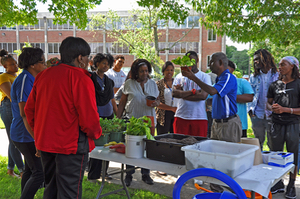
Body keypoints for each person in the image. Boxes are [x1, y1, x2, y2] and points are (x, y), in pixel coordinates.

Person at [24, 36, 102, 199]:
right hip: (71, 146)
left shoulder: (43, 75)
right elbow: (89, 119)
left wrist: (38, 137)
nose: (88, 62)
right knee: (69, 192)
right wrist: (96, 134)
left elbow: (29, 110)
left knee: (51, 188)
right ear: (81, 58)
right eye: (88, 58)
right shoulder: (81, 78)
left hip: (47, 144)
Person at [182, 52, 242, 193]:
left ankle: (234, 194)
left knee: (228, 163)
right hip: (218, 124)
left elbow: (212, 91)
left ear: (221, 63)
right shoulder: (220, 79)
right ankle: (215, 193)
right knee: (214, 161)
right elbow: (214, 96)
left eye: (212, 62)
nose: (209, 65)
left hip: (228, 125)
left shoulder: (228, 77)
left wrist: (192, 77)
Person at [117, 59, 159, 187]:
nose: (144, 73)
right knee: (131, 148)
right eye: (141, 71)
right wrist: (118, 119)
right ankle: (128, 174)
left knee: (147, 148)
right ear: (136, 72)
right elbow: (122, 102)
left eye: (146, 71)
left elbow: (157, 101)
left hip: (148, 121)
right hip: (132, 120)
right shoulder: (129, 83)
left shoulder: (153, 84)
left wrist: (157, 104)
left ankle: (146, 174)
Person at [10, 47, 46, 199]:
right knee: (39, 173)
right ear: (32, 64)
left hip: (28, 133)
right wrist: (37, 139)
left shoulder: (32, 78)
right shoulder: (25, 79)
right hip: (25, 134)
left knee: (31, 171)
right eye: (42, 62)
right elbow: (24, 113)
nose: (45, 64)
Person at [267, 56, 300, 199]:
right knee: (275, 154)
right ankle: (277, 182)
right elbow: (268, 103)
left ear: (292, 66)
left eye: (283, 64)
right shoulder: (274, 85)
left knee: (293, 155)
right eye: (279, 65)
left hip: (294, 124)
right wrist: (272, 108)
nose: (280, 67)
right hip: (276, 123)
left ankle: (291, 185)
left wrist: (286, 110)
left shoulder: (299, 84)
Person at [87, 53, 118, 183]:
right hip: (95, 117)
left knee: (107, 146)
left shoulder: (109, 81)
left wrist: (118, 115)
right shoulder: (90, 78)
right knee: (96, 147)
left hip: (108, 117)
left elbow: (112, 99)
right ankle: (93, 175)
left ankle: (104, 172)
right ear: (97, 64)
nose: (105, 66)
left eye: (107, 64)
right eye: (103, 63)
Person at [172, 51, 211, 137]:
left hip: (199, 117)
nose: (190, 63)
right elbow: (174, 94)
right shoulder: (179, 76)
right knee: (179, 146)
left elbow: (203, 96)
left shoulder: (205, 77)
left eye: (192, 60)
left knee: (198, 146)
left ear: (197, 60)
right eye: (187, 61)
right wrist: (192, 92)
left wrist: (182, 94)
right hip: (181, 116)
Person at [0, 50, 24, 177]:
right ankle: (22, 171)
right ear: (5, 66)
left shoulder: (17, 76)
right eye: (12, 64)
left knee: (13, 140)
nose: (16, 66)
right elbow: (12, 96)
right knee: (14, 140)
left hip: (14, 107)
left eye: (15, 63)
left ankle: (10, 169)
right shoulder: (3, 77)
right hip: (8, 108)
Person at [248, 49, 279, 149]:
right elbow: (250, 94)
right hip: (257, 115)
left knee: (274, 144)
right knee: (257, 144)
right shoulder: (253, 77)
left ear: (266, 59)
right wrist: (250, 109)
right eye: (254, 60)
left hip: (273, 115)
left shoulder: (277, 76)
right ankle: (258, 163)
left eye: (257, 59)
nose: (255, 62)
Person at [228, 60, 254, 137]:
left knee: (240, 148)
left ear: (232, 70)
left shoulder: (242, 82)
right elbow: (209, 99)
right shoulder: (216, 84)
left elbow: (249, 98)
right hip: (220, 124)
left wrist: (225, 96)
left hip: (239, 124)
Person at [156, 61, 177, 135]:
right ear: (163, 71)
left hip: (176, 113)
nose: (169, 72)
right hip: (163, 114)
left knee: (175, 136)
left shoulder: (177, 83)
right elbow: (156, 102)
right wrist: (171, 108)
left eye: (171, 70)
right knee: (162, 136)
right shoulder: (158, 84)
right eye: (167, 70)